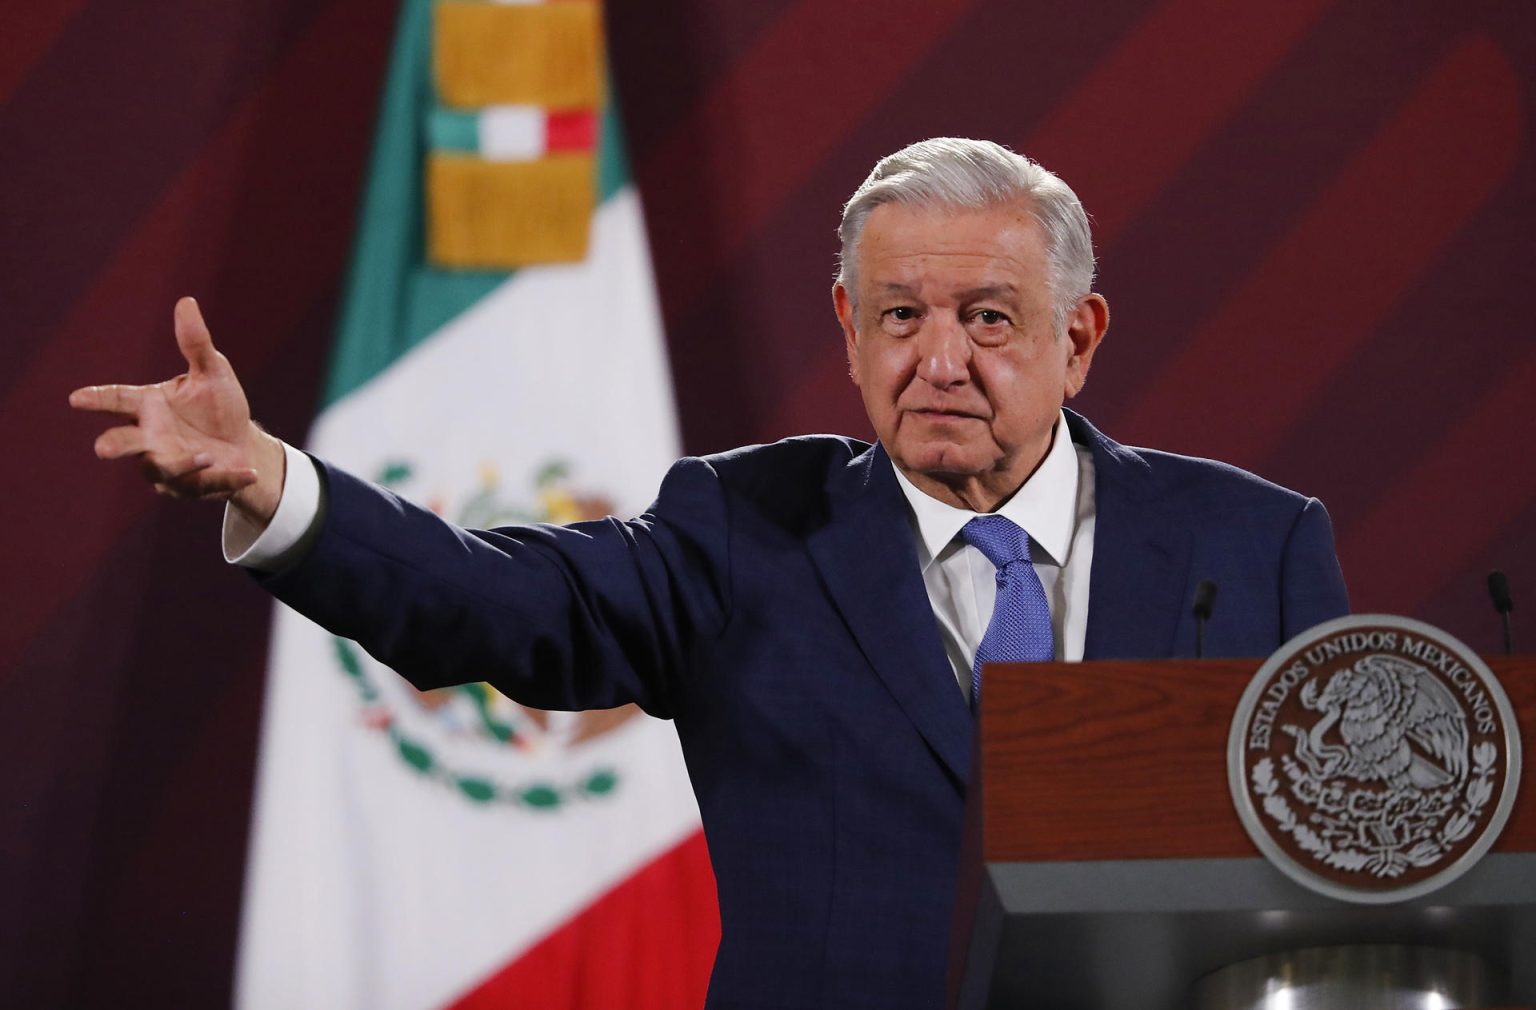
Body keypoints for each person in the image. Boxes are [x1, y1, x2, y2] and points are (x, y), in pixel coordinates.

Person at [72, 138, 1349, 1010]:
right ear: (849, 330)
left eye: (990, 317)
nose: (941, 358)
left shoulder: (1253, 546)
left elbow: (1341, 871)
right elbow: (502, 600)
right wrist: (274, 484)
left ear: (1079, 339)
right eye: (900, 314)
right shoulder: (749, 527)